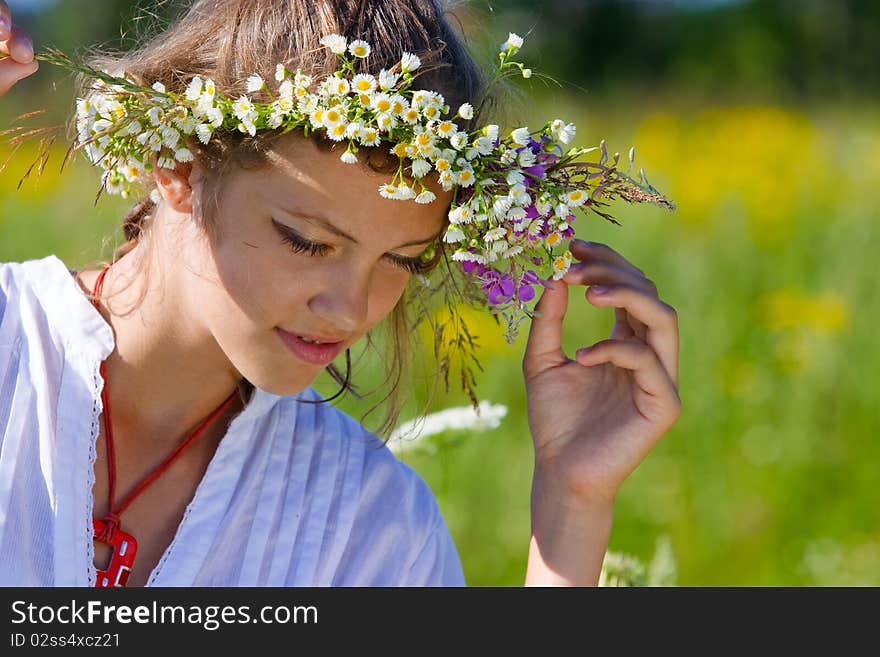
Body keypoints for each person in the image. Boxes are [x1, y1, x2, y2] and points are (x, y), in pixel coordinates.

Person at [0, 0, 681, 587]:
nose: (353, 311)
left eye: (403, 262)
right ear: (179, 163)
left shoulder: (371, 517)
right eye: (307, 241)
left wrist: (572, 504)